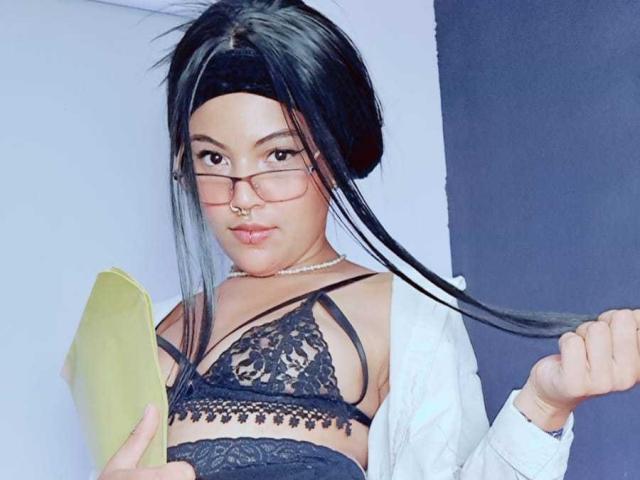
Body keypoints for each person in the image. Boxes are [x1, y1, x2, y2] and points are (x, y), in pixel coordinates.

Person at [94, 1, 640, 479]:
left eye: (278, 155)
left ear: (331, 157)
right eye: (213, 158)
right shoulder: (143, 324)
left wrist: (544, 405)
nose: (242, 196)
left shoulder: (407, 317)